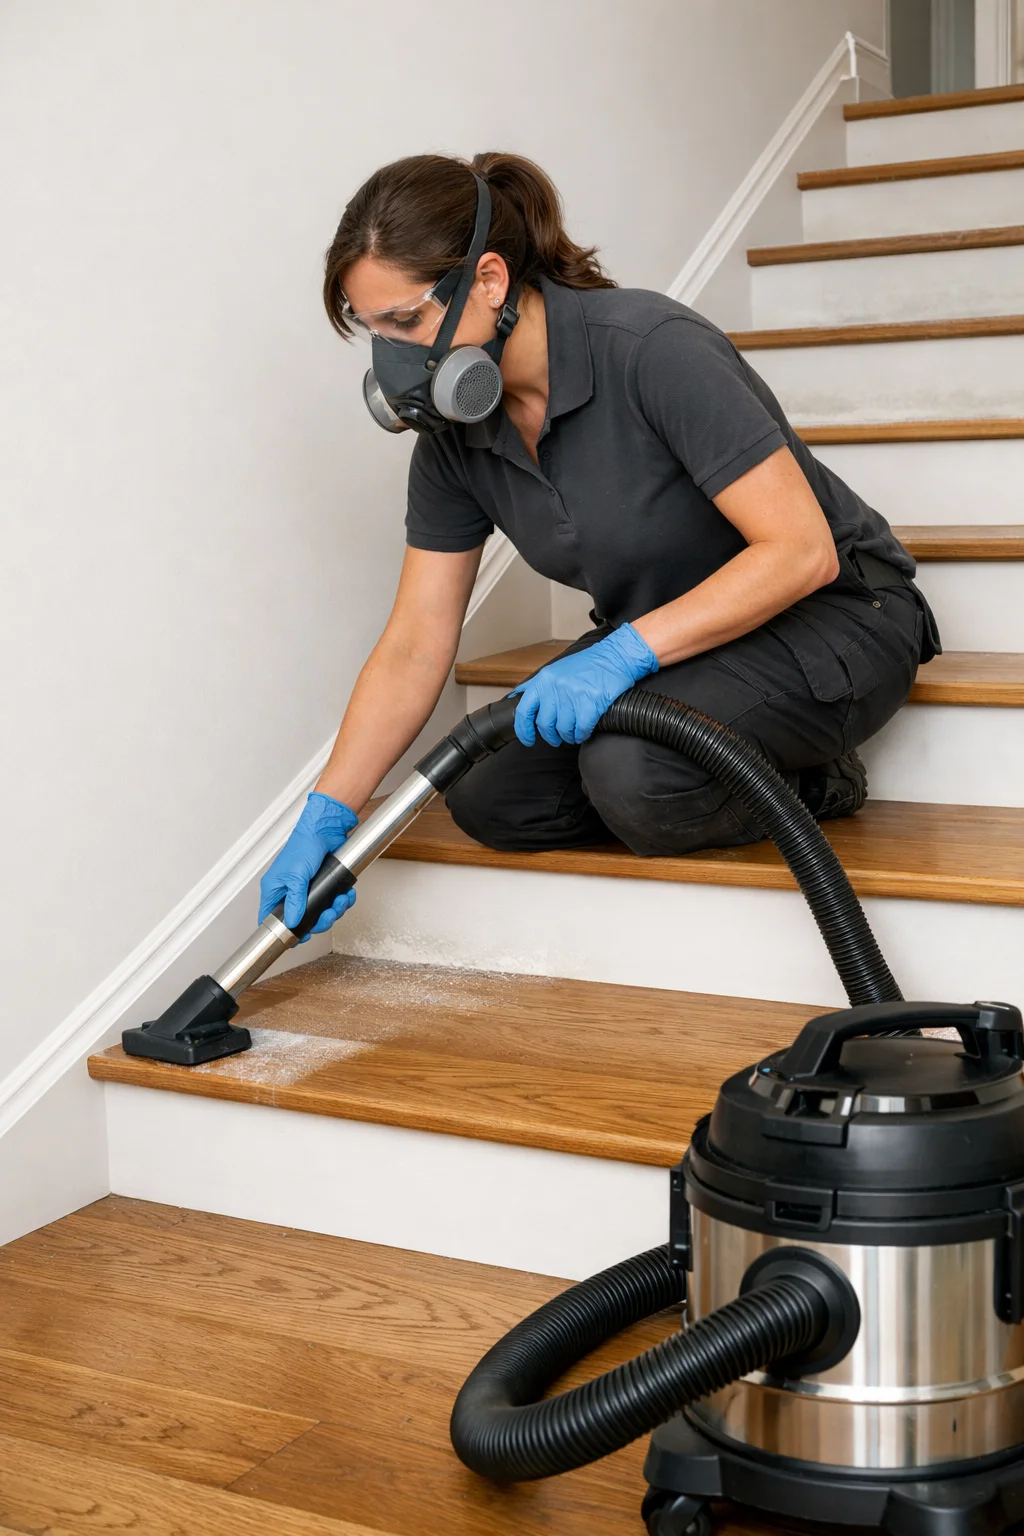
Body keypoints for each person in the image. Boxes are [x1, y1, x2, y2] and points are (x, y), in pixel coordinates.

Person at [258, 151, 939, 939]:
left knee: (638, 772)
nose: (393, 359)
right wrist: (329, 813)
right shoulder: (453, 440)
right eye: (370, 330)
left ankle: (818, 782)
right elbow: (416, 641)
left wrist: (617, 660)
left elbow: (800, 551)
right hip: (679, 645)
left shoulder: (651, 348)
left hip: (831, 618)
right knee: (489, 794)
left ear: (487, 280)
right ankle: (677, 746)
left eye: (404, 322)